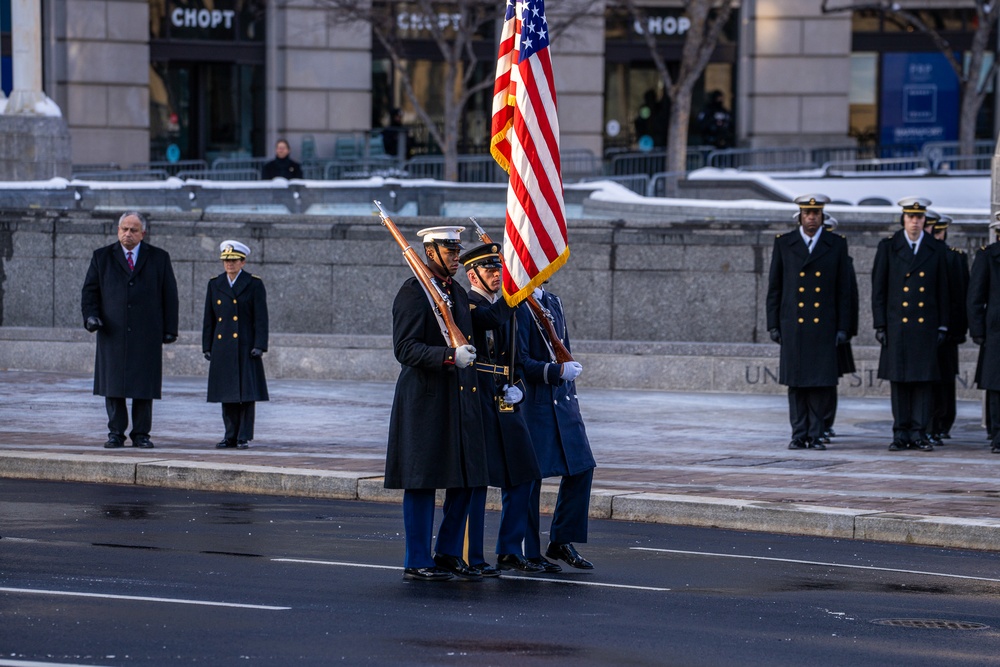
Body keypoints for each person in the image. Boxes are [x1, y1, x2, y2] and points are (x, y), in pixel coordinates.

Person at [384, 226, 490, 582]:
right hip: (426, 400)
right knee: (423, 481)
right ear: (431, 254)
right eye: (451, 252)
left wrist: (515, 291)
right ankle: (416, 558)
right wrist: (449, 356)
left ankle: (447, 552)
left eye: (457, 251)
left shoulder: (455, 291)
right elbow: (405, 348)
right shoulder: (414, 292)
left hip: (457, 398)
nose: (457, 257)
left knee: (464, 478)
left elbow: (481, 321)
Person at [460, 243, 544, 576]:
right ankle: (471, 556)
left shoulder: (506, 308)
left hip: (505, 398)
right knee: (477, 480)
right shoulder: (467, 305)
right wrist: (518, 292)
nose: (498, 275)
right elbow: (487, 320)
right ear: (473, 275)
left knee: (524, 472)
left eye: (500, 269)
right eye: (491, 271)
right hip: (478, 397)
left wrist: (519, 389)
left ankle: (510, 549)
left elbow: (517, 357)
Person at [81, 211, 179, 449]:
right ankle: (115, 433)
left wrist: (170, 329)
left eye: (133, 230)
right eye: (124, 229)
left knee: (143, 387)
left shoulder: (159, 257)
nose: (128, 234)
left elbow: (170, 295)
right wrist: (91, 317)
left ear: (142, 233)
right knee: (113, 386)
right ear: (118, 231)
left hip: (147, 334)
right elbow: (90, 293)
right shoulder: (102, 257)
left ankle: (141, 434)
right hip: (112, 332)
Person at [517, 285, 597, 571]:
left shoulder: (553, 301)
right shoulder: (515, 304)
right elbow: (519, 361)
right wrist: (555, 372)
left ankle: (562, 540)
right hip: (535, 402)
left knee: (582, 466)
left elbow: (562, 348)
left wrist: (568, 372)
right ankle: (527, 549)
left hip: (562, 401)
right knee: (530, 477)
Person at [766, 195, 852, 450]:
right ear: (800, 216)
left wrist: (843, 327)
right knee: (797, 383)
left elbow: (843, 290)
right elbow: (775, 287)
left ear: (822, 216)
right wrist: (773, 324)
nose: (811, 217)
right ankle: (798, 433)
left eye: (816, 213)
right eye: (807, 213)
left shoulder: (835, 244)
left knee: (820, 384)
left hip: (824, 325)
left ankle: (815, 434)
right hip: (793, 324)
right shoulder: (784, 243)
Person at [872, 197, 951, 452]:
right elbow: (879, 290)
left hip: (926, 326)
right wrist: (880, 325)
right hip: (898, 326)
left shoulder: (935, 249)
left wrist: (942, 326)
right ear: (903, 220)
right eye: (910, 217)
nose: (915, 222)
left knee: (923, 382)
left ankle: (919, 433)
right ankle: (900, 432)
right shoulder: (888, 247)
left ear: (924, 220)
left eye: (919, 218)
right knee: (900, 382)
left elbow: (943, 291)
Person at [202, 240, 269, 450]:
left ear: (243, 262)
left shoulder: (254, 283)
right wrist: (207, 345)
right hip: (223, 347)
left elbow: (261, 318)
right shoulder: (215, 284)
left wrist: (260, 345)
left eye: (233, 261)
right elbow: (209, 318)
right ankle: (229, 434)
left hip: (246, 347)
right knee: (227, 393)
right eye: (226, 260)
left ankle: (243, 436)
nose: (229, 264)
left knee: (246, 395)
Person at [923, 213, 968, 445]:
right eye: (933, 231)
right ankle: (930, 423)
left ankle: (942, 422)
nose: (936, 236)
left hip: (948, 331)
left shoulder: (954, 258)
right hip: (927, 330)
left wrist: (957, 331)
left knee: (945, 380)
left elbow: (960, 297)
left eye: (939, 232)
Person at [967, 214, 1000, 453]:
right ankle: (998, 434)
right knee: (997, 386)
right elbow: (975, 298)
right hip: (996, 332)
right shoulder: (988, 256)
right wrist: (978, 330)